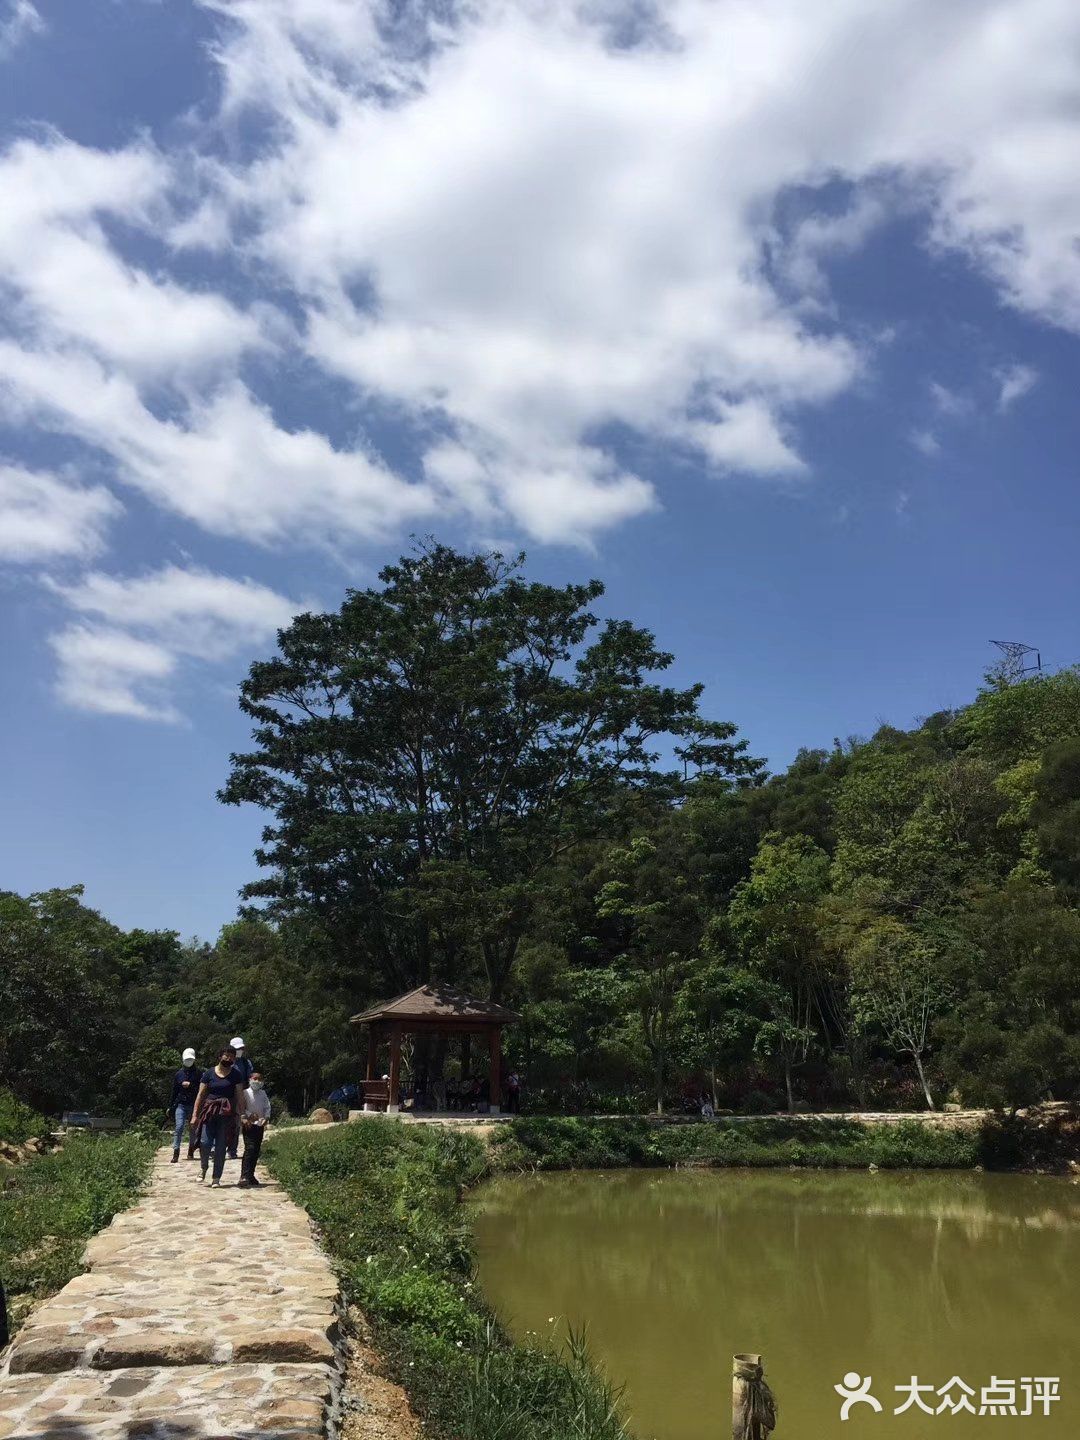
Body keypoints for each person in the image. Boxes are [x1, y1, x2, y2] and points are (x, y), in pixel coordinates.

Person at [191, 1046, 246, 1187]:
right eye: (227, 1055)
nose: (229, 1058)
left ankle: (216, 1178)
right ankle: (203, 1167)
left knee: (221, 1146)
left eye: (232, 1057)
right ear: (220, 1056)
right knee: (204, 1142)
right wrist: (195, 1115)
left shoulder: (236, 1075)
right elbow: (200, 1094)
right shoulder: (209, 1073)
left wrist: (242, 1114)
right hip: (209, 1112)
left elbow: (240, 1096)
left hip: (226, 1113)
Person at [237, 1072, 271, 1188]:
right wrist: (249, 1115)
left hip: (259, 1125)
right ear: (250, 1079)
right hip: (249, 1124)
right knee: (249, 1148)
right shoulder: (245, 1093)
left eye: (259, 1079)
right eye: (254, 1078)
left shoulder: (263, 1093)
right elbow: (241, 1107)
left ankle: (251, 1175)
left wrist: (266, 1117)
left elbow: (267, 1106)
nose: (257, 1081)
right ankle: (244, 1175)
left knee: (256, 1150)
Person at [169, 1047, 201, 1162]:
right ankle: (176, 1152)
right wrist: (170, 1105)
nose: (189, 1061)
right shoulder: (178, 1074)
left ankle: (191, 1150)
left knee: (193, 1129)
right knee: (179, 1127)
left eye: (191, 1059)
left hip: (193, 1104)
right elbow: (174, 1090)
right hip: (181, 1104)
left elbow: (201, 1090)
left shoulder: (198, 1074)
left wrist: (191, 1085)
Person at [227, 1037, 253, 1160]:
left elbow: (249, 1079)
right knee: (224, 1123)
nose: (240, 1050)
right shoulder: (227, 1062)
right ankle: (218, 1146)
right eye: (238, 1049)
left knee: (237, 1123)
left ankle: (232, 1149)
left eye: (241, 1048)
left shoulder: (246, 1063)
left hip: (241, 1096)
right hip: (227, 1096)